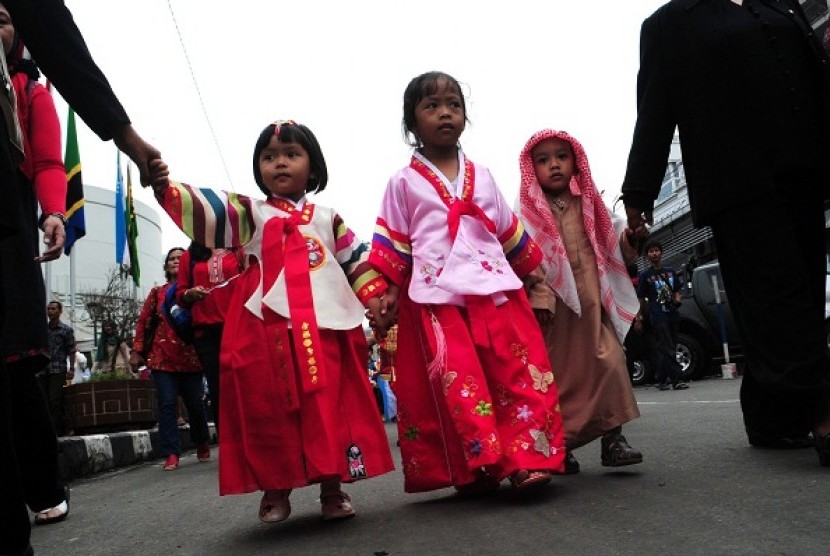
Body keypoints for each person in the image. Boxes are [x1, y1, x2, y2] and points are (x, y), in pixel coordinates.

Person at [148, 120, 395, 523]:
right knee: (270, 409)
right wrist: (165, 187)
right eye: (269, 157)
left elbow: (357, 263)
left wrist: (377, 299)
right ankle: (274, 489)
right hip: (266, 330)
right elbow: (205, 207)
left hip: (324, 327)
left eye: (291, 155)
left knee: (328, 406)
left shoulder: (328, 218)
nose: (279, 163)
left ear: (312, 169)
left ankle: (332, 488)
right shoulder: (250, 213)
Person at [621, 0, 830, 462]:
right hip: (738, 181)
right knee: (780, 296)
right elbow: (655, 109)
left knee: (803, 294)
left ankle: (771, 418)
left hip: (805, 170)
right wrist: (639, 194)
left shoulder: (779, 4)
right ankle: (822, 408)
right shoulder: (671, 22)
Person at [0, 0, 168, 552]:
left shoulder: (27, 90)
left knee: (13, 375)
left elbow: (49, 160)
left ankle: (41, 492)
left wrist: (55, 210)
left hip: (8, 219)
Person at [368, 71, 565, 495]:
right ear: (411, 123)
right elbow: (395, 245)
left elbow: (508, 232)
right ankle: (479, 466)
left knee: (514, 373)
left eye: (453, 105)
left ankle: (525, 459)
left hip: (494, 291)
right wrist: (385, 291)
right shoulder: (402, 183)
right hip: (439, 298)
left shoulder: (484, 175)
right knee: (462, 384)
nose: (445, 114)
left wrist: (536, 280)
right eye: (432, 106)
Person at [516, 129, 643, 474]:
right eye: (543, 160)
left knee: (612, 361)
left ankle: (613, 439)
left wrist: (630, 239)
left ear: (575, 163)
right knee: (559, 381)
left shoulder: (588, 203)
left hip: (592, 305)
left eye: (561, 157)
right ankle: (561, 447)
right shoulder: (526, 214)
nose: (554, 165)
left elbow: (613, 240)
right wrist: (539, 296)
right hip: (555, 316)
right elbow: (524, 260)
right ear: (531, 169)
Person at [129, 247, 211, 472]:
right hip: (162, 358)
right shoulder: (157, 293)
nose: (176, 261)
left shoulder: (200, 290)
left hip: (192, 357)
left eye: (181, 258)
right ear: (166, 266)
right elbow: (143, 322)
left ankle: (202, 442)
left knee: (195, 404)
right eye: (172, 259)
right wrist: (137, 350)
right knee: (166, 404)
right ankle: (171, 453)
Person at [175, 241, 244, 435]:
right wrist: (190, 294)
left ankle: (252, 441)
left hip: (239, 327)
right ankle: (229, 443)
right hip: (206, 332)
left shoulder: (238, 249)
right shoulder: (190, 255)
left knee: (244, 385)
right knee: (218, 389)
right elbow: (180, 293)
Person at [636, 240, 688, 391]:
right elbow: (640, 298)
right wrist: (639, 318)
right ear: (647, 256)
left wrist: (677, 299)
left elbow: (678, 289)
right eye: (651, 251)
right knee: (668, 346)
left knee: (668, 346)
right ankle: (677, 379)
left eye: (656, 251)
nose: (654, 254)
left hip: (673, 314)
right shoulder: (645, 275)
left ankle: (662, 379)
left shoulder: (670, 271)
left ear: (661, 252)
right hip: (658, 315)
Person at [41, 300, 75, 436]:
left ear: (60, 311)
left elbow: (72, 350)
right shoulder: (43, 330)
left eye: (54, 309)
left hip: (58, 369)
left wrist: (72, 368)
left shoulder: (66, 330)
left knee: (54, 399)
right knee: (45, 400)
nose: (50, 311)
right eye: (49, 309)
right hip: (43, 369)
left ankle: (58, 431)